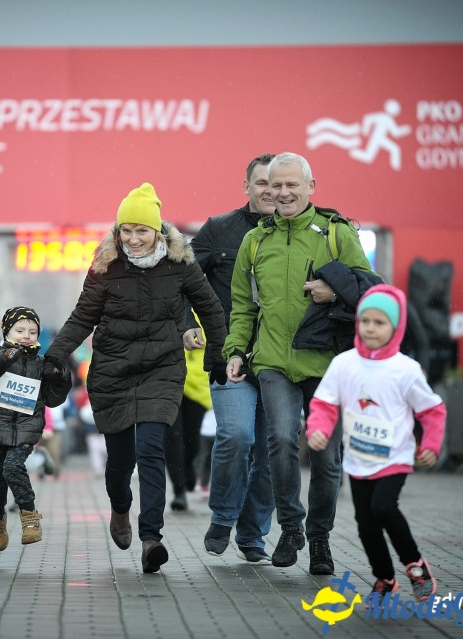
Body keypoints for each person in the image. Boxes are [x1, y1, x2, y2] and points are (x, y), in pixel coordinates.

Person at [44, 183, 227, 573]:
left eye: (141, 230)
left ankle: (151, 538)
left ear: (158, 231)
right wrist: (54, 356)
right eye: (126, 230)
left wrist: (217, 353)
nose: (133, 238)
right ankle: (120, 508)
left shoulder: (180, 263)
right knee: (119, 463)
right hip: (112, 370)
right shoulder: (105, 265)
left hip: (162, 368)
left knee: (150, 450)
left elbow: (210, 308)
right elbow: (81, 318)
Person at [223, 152, 381, 575]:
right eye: (276, 185)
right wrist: (236, 350)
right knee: (279, 439)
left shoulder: (336, 233)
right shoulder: (254, 241)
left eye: (293, 184)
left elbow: (374, 291)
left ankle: (320, 537)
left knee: (327, 458)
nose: (284, 192)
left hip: (328, 362)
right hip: (273, 360)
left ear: (311, 186)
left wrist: (336, 290)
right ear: (266, 189)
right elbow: (242, 306)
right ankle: (291, 527)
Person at [306, 285, 446, 602]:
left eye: (379, 322)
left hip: (394, 457)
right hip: (357, 459)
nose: (370, 328)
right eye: (365, 321)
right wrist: (318, 429)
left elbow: (432, 410)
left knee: (384, 507)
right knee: (366, 525)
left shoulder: (406, 370)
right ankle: (384, 578)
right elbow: (324, 404)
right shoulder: (344, 364)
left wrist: (431, 445)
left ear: (395, 328)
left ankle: (416, 566)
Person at [182, 153, 277, 563]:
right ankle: (223, 515)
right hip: (229, 356)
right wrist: (186, 322)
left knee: (273, 452)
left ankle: (253, 534)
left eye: (279, 183)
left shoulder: (307, 234)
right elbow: (180, 279)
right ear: (247, 186)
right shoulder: (219, 230)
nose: (271, 191)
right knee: (237, 436)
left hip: (282, 362)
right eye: (262, 183)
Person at [0, 306, 72, 550]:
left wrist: (61, 377)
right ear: (6, 331)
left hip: (25, 430)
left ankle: (29, 517)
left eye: (32, 331)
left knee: (13, 466)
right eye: (20, 330)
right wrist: (4, 358)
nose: (26, 336)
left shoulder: (40, 363)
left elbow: (53, 399)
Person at [164, 342, 210, 512]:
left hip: (197, 388)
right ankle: (179, 490)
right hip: (168, 383)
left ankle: (189, 471)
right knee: (172, 439)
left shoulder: (204, 315)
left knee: (193, 441)